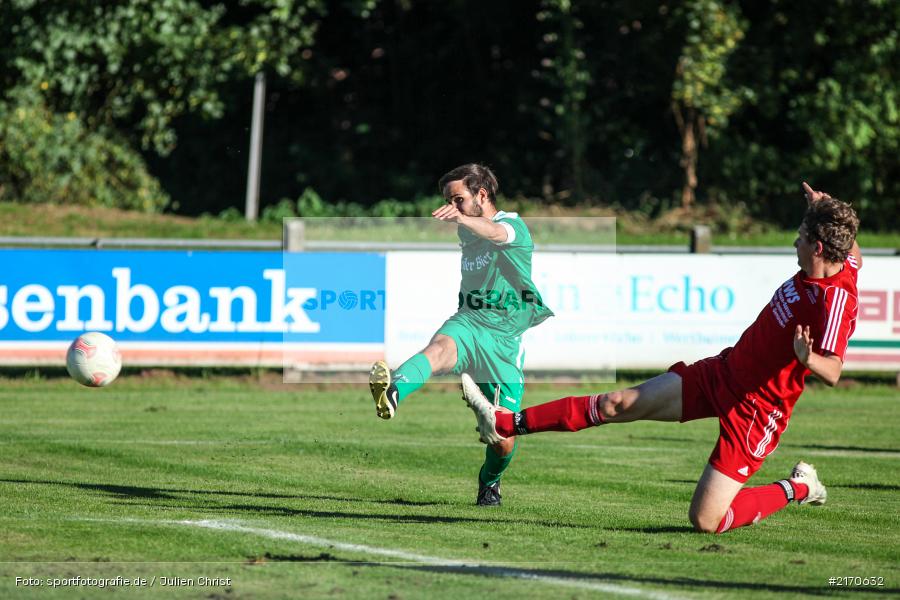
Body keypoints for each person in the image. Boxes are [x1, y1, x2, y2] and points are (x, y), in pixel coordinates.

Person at [462, 182, 860, 532]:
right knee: (617, 403)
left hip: (756, 411)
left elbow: (834, 371)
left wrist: (808, 359)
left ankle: (799, 487)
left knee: (706, 521)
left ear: (819, 248)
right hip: (723, 373)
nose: (795, 243)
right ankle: (504, 423)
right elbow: (853, 243)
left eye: (800, 237)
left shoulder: (835, 298)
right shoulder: (839, 258)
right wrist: (824, 205)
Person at [369, 163, 553, 506]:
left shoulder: (513, 226)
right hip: (469, 320)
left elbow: (497, 233)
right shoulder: (467, 228)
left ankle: (490, 482)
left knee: (503, 438)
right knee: (438, 349)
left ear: (481, 195)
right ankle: (394, 391)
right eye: (449, 201)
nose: (453, 207)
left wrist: (463, 218)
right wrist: (463, 219)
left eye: (458, 199)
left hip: (503, 339)